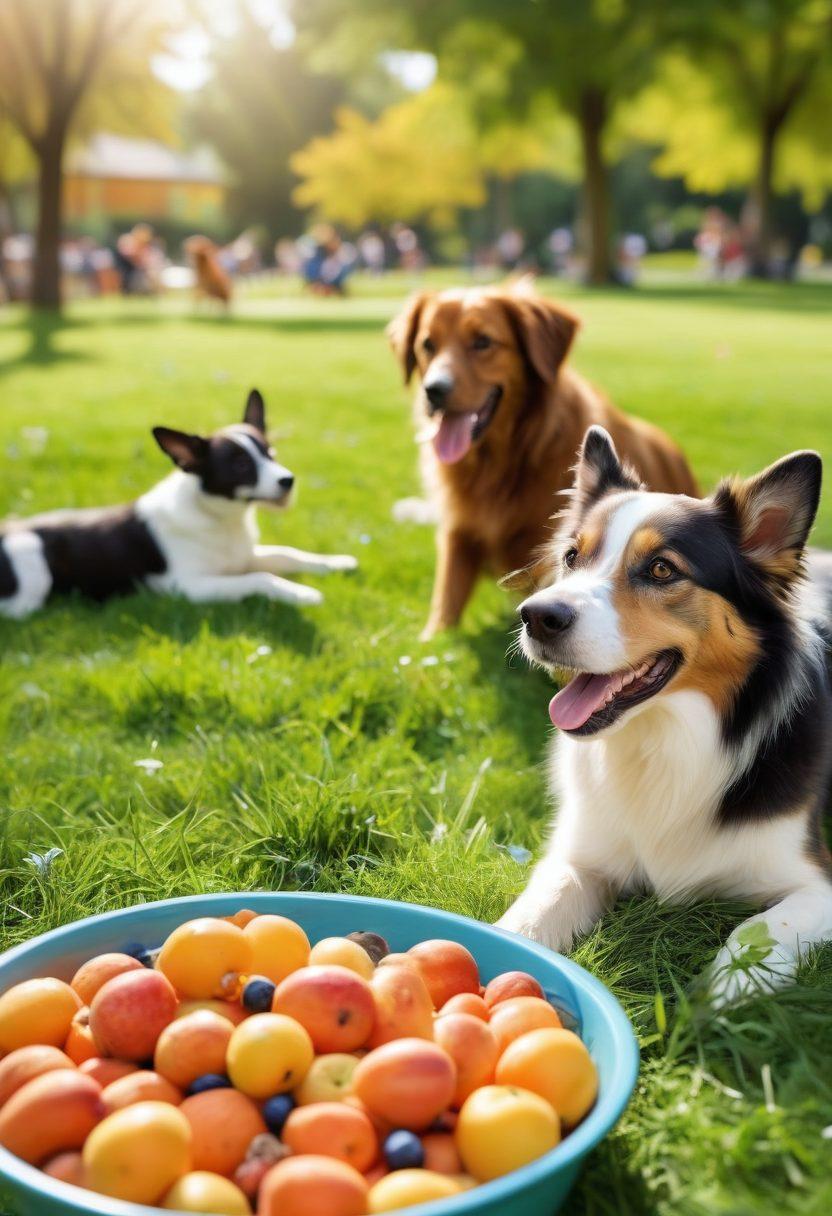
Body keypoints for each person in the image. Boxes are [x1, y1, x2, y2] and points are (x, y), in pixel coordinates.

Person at [114, 223, 156, 294]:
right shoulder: (127, 240)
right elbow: (134, 258)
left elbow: (147, 262)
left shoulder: (144, 246)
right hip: (126, 273)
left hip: (136, 272)